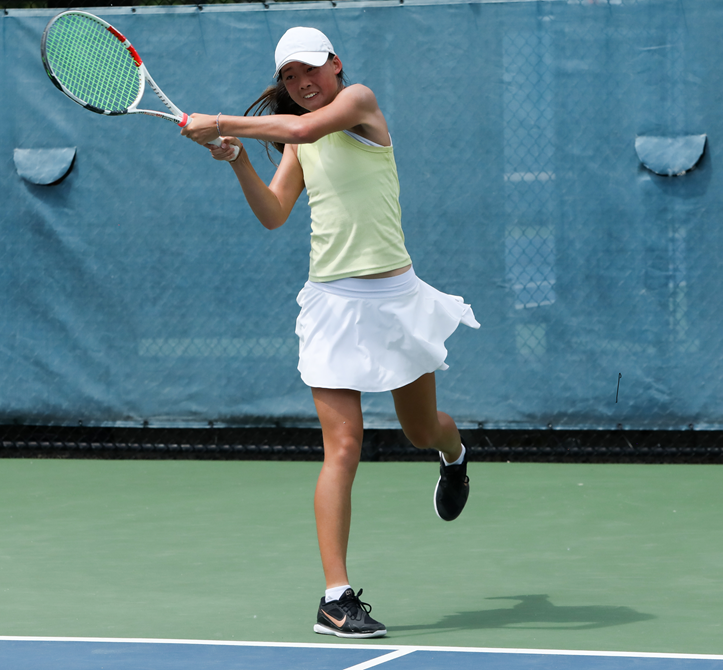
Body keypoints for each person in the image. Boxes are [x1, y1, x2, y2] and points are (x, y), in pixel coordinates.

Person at [181, 26, 480, 639]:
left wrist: (222, 122)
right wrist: (236, 159)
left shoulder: (359, 103)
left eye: (309, 71)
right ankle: (335, 598)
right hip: (332, 304)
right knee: (343, 447)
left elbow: (297, 127)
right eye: (289, 78)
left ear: (336, 66)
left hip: (396, 299)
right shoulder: (298, 141)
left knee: (422, 429)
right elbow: (273, 214)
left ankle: (455, 457)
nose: (301, 84)